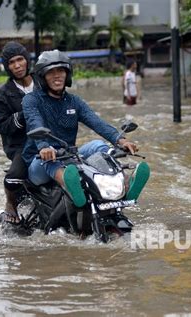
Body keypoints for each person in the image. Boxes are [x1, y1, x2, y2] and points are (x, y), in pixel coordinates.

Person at [22, 50, 150, 207]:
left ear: (67, 74)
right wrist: (43, 146)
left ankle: (125, 184)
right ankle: (75, 191)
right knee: (50, 158)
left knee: (98, 145)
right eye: (51, 72)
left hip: (68, 156)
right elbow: (34, 122)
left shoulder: (74, 101)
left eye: (61, 70)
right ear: (42, 76)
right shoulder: (31, 100)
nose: (57, 75)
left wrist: (120, 140)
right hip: (39, 161)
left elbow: (96, 121)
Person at [0, 41, 39, 224]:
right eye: (12, 62)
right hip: (21, 145)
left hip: (51, 139)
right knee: (14, 175)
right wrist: (21, 116)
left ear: (27, 60)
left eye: (20, 60)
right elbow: (0, 125)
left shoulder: (43, 81)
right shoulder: (3, 95)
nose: (17, 65)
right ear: (7, 67)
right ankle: (10, 204)